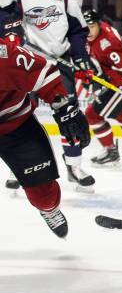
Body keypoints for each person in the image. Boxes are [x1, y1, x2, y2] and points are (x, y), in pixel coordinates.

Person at [0, 0, 96, 191]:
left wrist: (81, 58)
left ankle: (74, 166)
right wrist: (11, 25)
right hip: (27, 62)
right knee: (20, 115)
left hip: (58, 60)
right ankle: (17, 167)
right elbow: (3, 11)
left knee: (68, 115)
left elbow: (77, 30)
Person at [0, 26, 91, 238]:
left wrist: (65, 109)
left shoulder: (5, 56)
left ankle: (49, 209)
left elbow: (44, 73)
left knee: (45, 196)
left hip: (15, 126)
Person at [79, 9, 122, 164]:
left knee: (92, 114)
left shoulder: (108, 43)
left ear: (98, 24)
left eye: (91, 26)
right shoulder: (98, 32)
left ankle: (110, 151)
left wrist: (104, 80)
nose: (87, 31)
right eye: (84, 26)